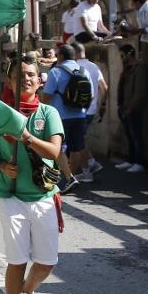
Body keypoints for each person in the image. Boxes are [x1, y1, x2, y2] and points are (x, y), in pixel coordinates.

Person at [0, 56, 64, 294]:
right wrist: (2, 166)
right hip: (10, 197)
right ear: (10, 82)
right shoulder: (2, 115)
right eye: (20, 76)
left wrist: (26, 136)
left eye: (31, 75)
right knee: (17, 260)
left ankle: (27, 291)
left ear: (40, 81)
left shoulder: (48, 113)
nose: (26, 79)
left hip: (43, 197)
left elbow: (54, 151)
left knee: (47, 262)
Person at [41, 43, 90, 190]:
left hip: (60, 117)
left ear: (61, 56)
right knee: (75, 149)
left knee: (56, 148)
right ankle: (69, 178)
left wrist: (43, 111)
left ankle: (68, 178)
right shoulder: (84, 71)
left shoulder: (55, 72)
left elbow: (47, 95)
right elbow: (91, 94)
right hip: (80, 115)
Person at [114, 44, 148, 173]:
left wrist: (131, 108)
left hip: (133, 108)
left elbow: (140, 91)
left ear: (129, 54)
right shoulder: (127, 68)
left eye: (123, 55)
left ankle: (139, 162)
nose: (121, 58)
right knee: (129, 136)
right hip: (124, 107)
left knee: (137, 136)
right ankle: (131, 160)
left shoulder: (139, 68)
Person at [73, 41, 107, 176]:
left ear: (74, 53)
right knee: (82, 138)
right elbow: (104, 88)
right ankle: (90, 163)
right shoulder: (94, 67)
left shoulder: (75, 67)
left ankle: (88, 169)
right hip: (91, 109)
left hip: (78, 110)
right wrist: (102, 105)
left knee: (78, 141)